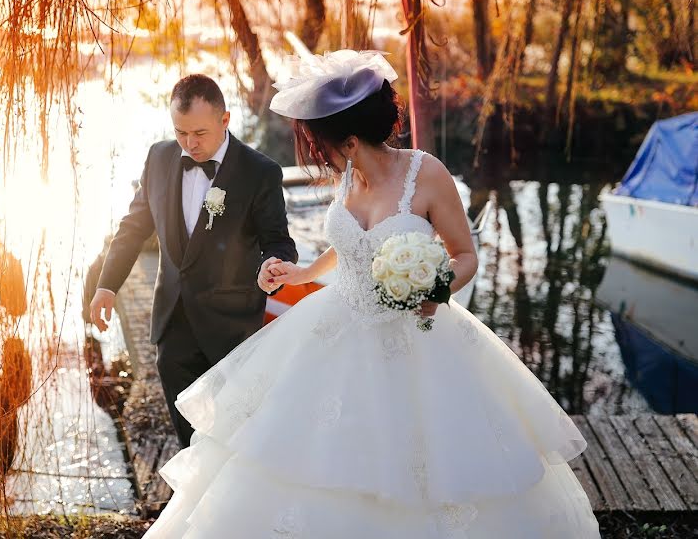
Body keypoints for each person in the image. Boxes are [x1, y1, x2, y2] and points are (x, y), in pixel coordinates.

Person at [142, 51, 600, 538]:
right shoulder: (348, 178)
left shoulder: (427, 175)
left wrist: (437, 287)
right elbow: (346, 250)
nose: (318, 156)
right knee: (297, 453)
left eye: (322, 145)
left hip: (416, 337)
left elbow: (465, 254)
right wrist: (298, 274)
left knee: (419, 471)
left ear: (352, 141)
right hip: (336, 326)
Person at [90, 74, 298, 448]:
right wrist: (107, 285)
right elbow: (132, 228)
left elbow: (278, 243)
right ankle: (197, 501)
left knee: (236, 438)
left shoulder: (260, 172)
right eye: (181, 132)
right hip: (173, 330)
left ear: (225, 120)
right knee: (189, 441)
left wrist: (274, 266)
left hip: (233, 331)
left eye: (199, 133)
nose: (190, 144)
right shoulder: (159, 157)